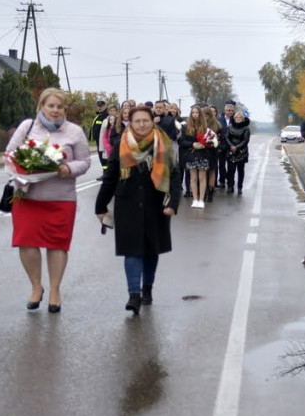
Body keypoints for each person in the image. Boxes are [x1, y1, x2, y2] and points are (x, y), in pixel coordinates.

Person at [7, 87, 91, 313]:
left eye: (60, 106)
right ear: (41, 106)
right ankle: (36, 286)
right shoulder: (27, 127)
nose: (55, 110)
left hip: (60, 198)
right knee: (26, 243)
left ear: (65, 109)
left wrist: (67, 168)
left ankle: (55, 290)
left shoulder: (74, 131)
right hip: (28, 196)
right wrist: (25, 167)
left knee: (57, 245)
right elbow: (10, 154)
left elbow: (85, 161)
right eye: (50, 106)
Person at [96, 105, 181, 314]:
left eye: (145, 120)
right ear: (130, 123)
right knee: (132, 250)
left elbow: (176, 176)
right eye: (137, 121)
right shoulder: (120, 145)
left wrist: (173, 204)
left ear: (153, 121)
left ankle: (147, 289)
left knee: (152, 249)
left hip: (156, 203)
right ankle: (133, 295)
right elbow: (110, 178)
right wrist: (100, 206)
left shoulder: (164, 145)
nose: (141, 124)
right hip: (127, 203)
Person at [178, 105, 213, 208]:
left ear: (200, 114)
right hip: (191, 154)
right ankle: (195, 199)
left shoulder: (206, 128)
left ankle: (201, 200)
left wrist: (204, 144)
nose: (195, 114)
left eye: (197, 113)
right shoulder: (185, 127)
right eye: (193, 113)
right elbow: (182, 141)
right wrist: (192, 144)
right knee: (193, 178)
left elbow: (210, 141)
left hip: (202, 154)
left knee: (202, 177)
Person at [224, 109, 251, 194]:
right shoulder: (230, 127)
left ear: (242, 119)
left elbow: (246, 140)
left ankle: (240, 187)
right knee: (230, 170)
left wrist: (237, 147)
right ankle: (230, 186)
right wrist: (231, 146)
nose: (238, 119)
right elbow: (227, 137)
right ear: (234, 118)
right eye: (237, 117)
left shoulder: (246, 128)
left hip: (241, 151)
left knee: (240, 170)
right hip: (231, 151)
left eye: (240, 117)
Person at [90, 99, 109, 176]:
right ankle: (105, 172)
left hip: (103, 140)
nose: (100, 108)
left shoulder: (106, 116)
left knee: (104, 157)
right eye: (98, 106)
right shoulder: (99, 116)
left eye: (101, 106)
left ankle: (106, 173)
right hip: (98, 140)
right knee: (101, 157)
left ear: (105, 106)